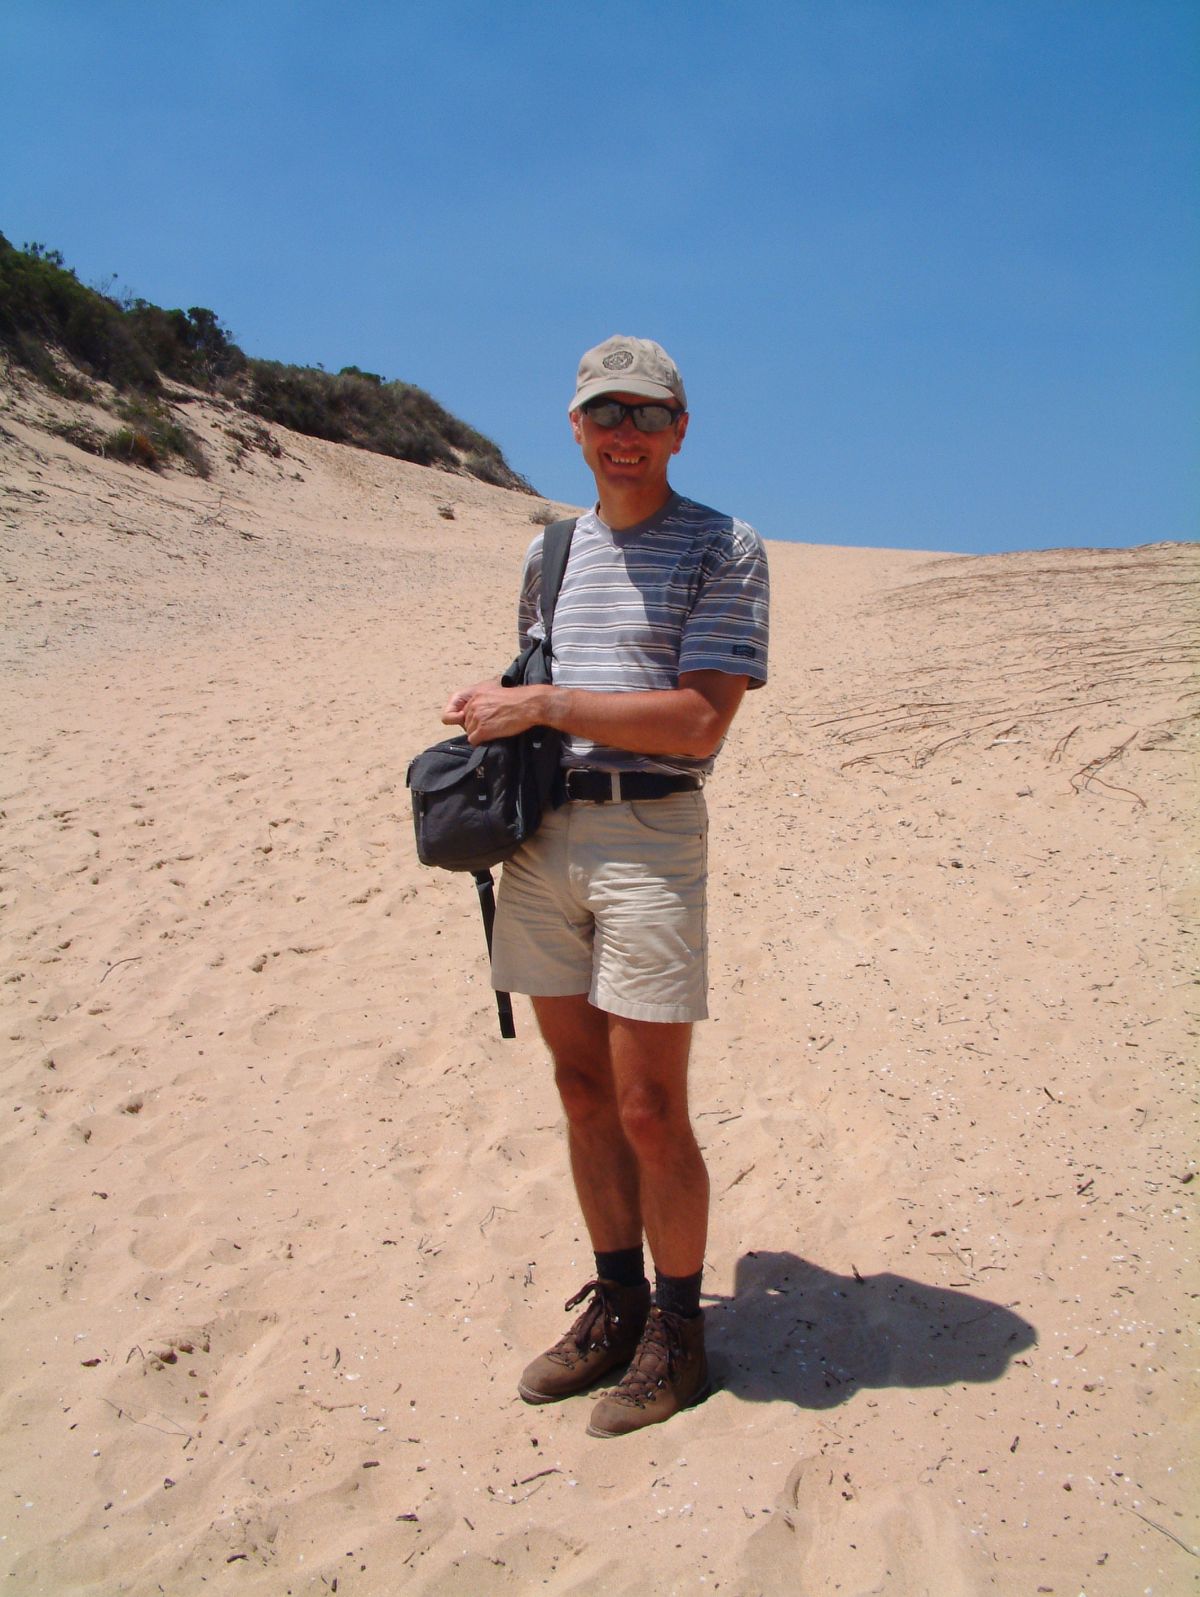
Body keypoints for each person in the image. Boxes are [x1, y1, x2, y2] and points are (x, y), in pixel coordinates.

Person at [442, 335, 769, 1437]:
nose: (623, 432)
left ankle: (682, 1331)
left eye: (646, 414)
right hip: (544, 842)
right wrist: (498, 704)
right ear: (575, 431)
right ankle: (617, 1302)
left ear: (680, 431)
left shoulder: (724, 546)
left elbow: (698, 718)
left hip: (649, 837)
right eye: (604, 414)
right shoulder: (549, 555)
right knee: (581, 1093)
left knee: (648, 1102)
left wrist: (541, 706)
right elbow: (544, 682)